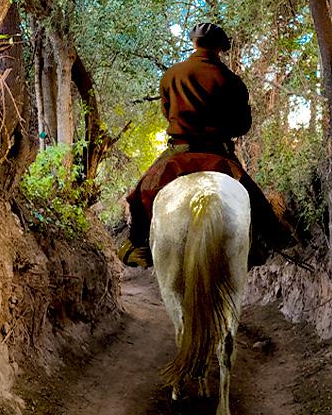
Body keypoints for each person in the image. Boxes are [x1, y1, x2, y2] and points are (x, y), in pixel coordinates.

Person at [119, 22, 293, 268]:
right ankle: (272, 239)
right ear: (220, 48)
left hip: (180, 151)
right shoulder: (232, 81)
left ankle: (137, 244)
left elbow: (167, 113)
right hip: (218, 152)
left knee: (140, 193)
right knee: (255, 200)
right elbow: (242, 126)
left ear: (194, 43)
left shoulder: (171, 75)